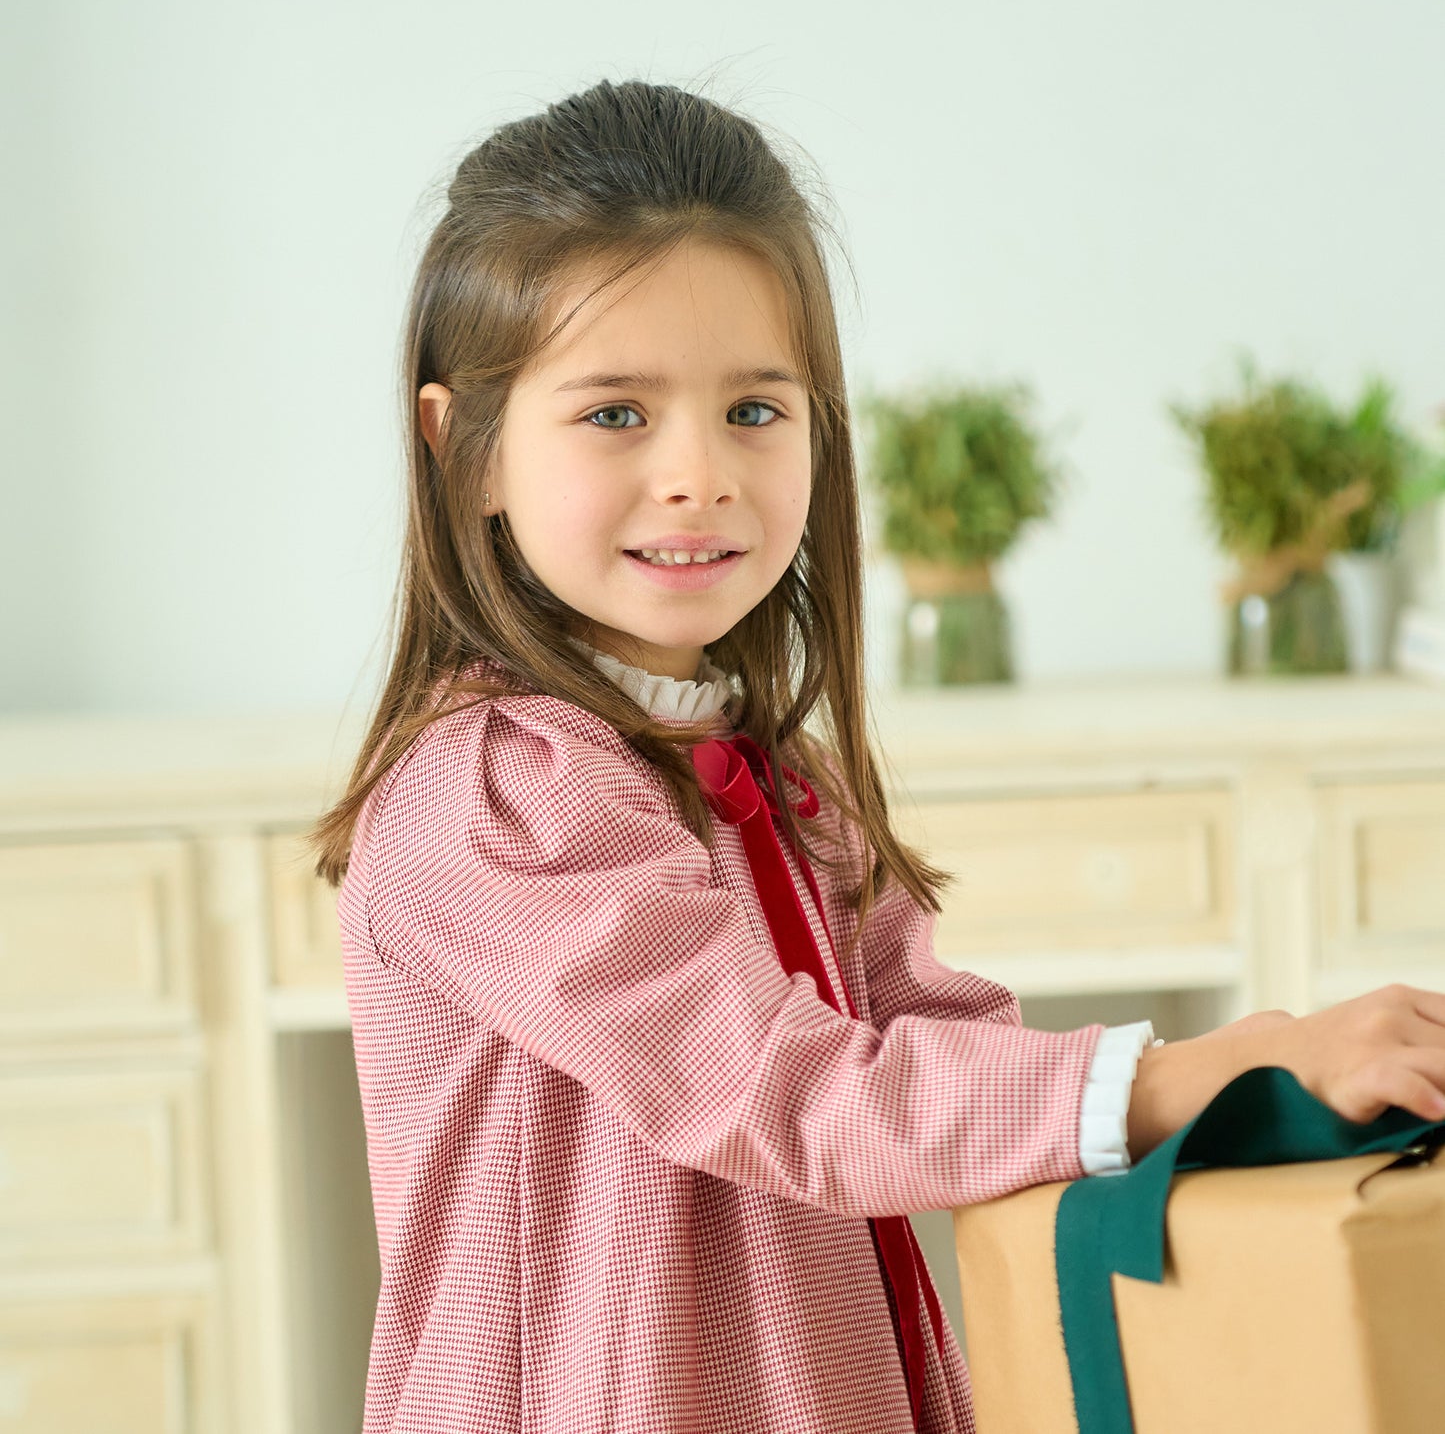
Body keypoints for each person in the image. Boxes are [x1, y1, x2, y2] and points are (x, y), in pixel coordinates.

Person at [306, 77, 1445, 1434]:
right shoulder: (498, 795)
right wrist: (1198, 1068)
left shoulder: (776, 779)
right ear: (464, 449)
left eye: (754, 408)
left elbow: (941, 1060)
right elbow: (790, 1093)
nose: (697, 472)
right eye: (616, 412)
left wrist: (1246, 1082)